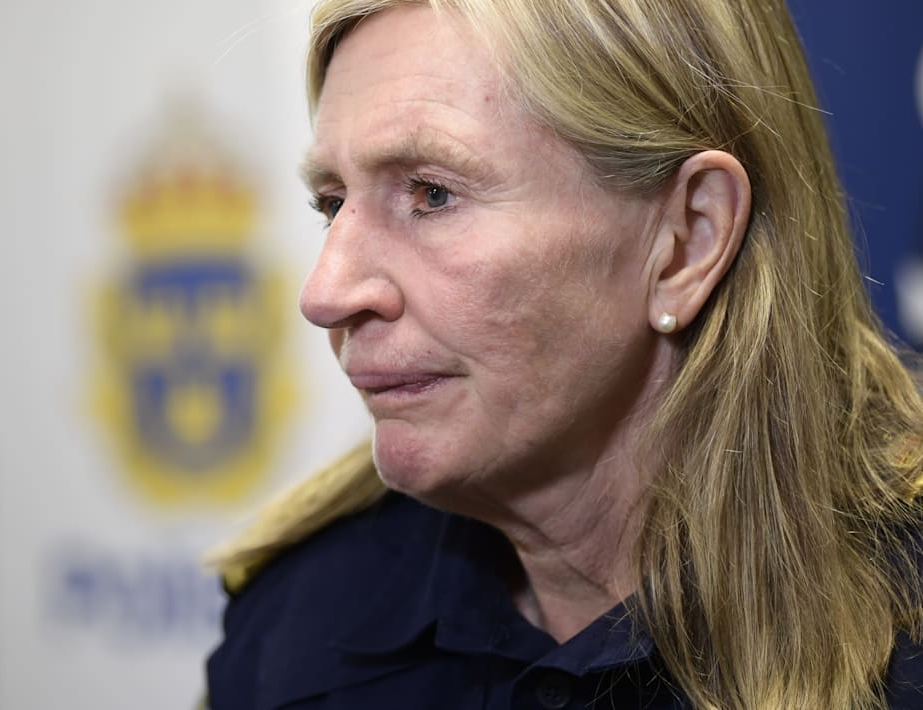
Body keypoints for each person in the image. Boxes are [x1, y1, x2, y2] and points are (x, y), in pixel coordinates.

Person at [205, 0, 923, 708]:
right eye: (333, 204)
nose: (325, 294)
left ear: (688, 240)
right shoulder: (292, 636)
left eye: (432, 194)